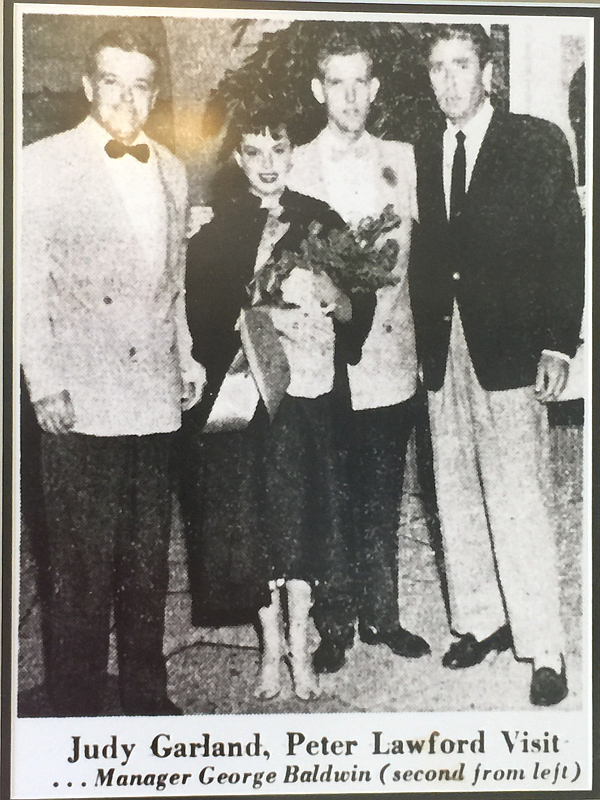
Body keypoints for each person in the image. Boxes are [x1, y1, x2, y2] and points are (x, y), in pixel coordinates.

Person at [20, 28, 205, 716]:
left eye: (141, 84)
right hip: (82, 394)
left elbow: (173, 283)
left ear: (154, 92)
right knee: (78, 568)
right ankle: (73, 702)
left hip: (153, 394)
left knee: (146, 562)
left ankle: (145, 692)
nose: (127, 97)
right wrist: (44, 381)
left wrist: (185, 355)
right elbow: (25, 285)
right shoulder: (42, 164)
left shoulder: (173, 168)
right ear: (89, 86)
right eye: (112, 81)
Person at [409, 24, 584, 705]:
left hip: (512, 344)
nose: (449, 80)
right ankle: (479, 619)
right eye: (437, 67)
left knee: (520, 499)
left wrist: (557, 343)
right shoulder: (423, 148)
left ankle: (545, 645)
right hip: (442, 344)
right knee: (454, 488)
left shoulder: (536, 141)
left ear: (489, 73)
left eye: (462, 65)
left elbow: (565, 246)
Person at [182, 111, 368, 699]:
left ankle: (302, 646)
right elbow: (202, 321)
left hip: (309, 404)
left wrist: (333, 298)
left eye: (277, 150)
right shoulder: (214, 235)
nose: (267, 164)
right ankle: (270, 649)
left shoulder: (323, 221)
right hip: (247, 398)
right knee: (255, 525)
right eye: (253, 151)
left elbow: (354, 312)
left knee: (305, 521)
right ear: (238, 159)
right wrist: (253, 323)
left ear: (293, 154)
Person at [289, 34, 431, 674]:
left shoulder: (403, 159)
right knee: (331, 494)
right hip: (323, 364)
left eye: (361, 83)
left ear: (375, 90)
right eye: (336, 82)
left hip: (392, 357)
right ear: (319, 90)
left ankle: (384, 613)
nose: (350, 96)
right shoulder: (293, 166)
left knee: (382, 491)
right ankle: (336, 620)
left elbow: (424, 260)